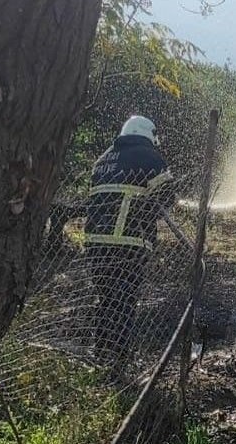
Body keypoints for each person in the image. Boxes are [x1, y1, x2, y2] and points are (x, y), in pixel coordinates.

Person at [84, 116, 175, 362]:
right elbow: (167, 196)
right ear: (148, 134)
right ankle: (120, 357)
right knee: (124, 299)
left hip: (95, 243)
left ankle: (100, 353)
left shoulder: (103, 159)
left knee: (105, 298)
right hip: (128, 242)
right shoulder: (149, 157)